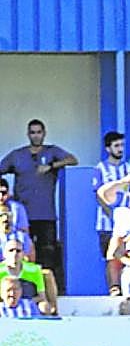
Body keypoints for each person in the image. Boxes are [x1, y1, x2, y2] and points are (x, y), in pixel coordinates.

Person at [0, 119, 78, 286]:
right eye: (33, 132)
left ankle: (49, 289)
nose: (36, 136)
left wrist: (51, 166)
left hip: (45, 213)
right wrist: (5, 194)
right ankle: (24, 285)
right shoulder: (17, 155)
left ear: (44, 133)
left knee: (47, 252)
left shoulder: (52, 151)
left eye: (39, 132)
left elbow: (73, 159)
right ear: (28, 134)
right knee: (22, 251)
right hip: (22, 215)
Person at [92, 131, 129, 262]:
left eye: (122, 145)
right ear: (108, 148)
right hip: (106, 225)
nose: (120, 149)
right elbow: (98, 194)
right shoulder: (100, 169)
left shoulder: (128, 169)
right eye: (116, 145)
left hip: (126, 225)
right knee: (110, 262)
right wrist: (111, 214)